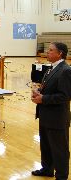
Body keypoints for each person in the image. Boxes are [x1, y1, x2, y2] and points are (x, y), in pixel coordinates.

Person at [31, 42, 71, 179]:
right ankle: (47, 168)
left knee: (59, 149)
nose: (47, 52)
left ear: (60, 53)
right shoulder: (50, 68)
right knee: (46, 145)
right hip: (45, 114)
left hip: (57, 117)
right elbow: (47, 88)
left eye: (51, 50)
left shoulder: (65, 70)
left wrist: (44, 99)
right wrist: (38, 92)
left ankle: (61, 176)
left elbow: (65, 96)